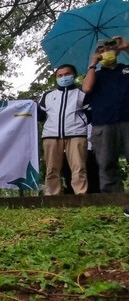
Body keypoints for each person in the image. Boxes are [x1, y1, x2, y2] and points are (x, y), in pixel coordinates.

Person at [82, 36, 129, 215]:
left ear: (116, 51)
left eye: (110, 48)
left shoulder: (125, 70)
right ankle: (114, 199)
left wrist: (126, 47)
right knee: (106, 162)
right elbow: (86, 88)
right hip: (103, 123)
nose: (106, 52)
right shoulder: (96, 75)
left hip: (127, 120)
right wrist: (93, 64)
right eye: (102, 50)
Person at [37, 64, 89, 195]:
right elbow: (41, 116)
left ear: (74, 75)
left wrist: (80, 123)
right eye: (60, 75)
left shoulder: (82, 93)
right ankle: (52, 196)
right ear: (56, 78)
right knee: (52, 168)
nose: (63, 77)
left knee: (79, 167)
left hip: (76, 134)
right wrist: (33, 107)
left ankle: (81, 195)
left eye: (67, 74)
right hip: (51, 135)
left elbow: (90, 113)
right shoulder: (48, 95)